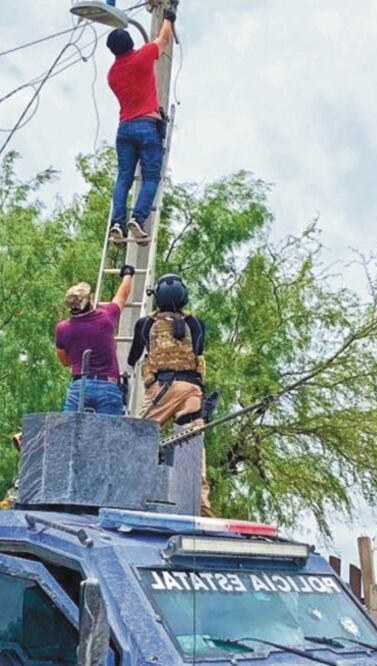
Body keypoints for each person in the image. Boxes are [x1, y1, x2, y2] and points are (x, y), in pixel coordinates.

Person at [126, 273, 213, 515]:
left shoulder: (146, 324)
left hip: (161, 390)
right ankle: (201, 503)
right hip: (192, 391)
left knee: (137, 438)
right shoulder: (195, 323)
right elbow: (198, 350)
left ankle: (129, 491)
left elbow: (133, 356)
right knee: (193, 446)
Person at [105, 7, 176, 244]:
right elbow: (164, 39)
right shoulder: (142, 57)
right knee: (151, 178)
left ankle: (117, 222)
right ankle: (138, 218)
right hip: (147, 125)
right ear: (130, 42)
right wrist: (169, 16)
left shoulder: (112, 74)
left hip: (124, 128)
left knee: (124, 177)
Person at [55, 265, 135, 415]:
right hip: (108, 387)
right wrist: (128, 274)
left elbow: (65, 361)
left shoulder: (63, 328)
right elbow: (121, 296)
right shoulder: (105, 317)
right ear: (89, 300)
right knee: (109, 435)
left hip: (79, 388)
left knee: (68, 433)